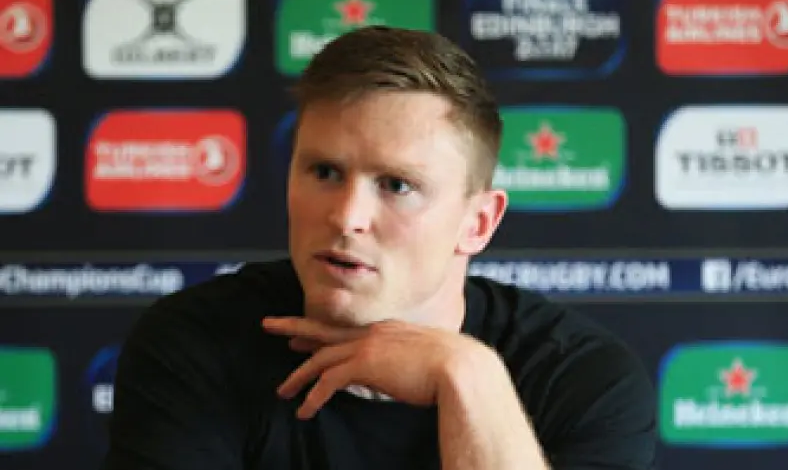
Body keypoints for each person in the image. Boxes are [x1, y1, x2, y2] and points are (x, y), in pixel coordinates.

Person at [102, 26, 656, 470]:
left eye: (397, 185)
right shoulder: (194, 343)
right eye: (324, 172)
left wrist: (468, 376)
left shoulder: (583, 381)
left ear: (478, 222)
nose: (346, 217)